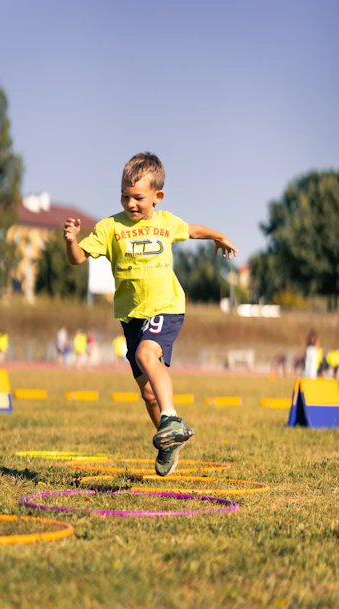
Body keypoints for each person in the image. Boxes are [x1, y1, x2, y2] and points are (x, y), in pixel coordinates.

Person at [64, 152, 238, 476]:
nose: (131, 203)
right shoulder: (110, 228)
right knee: (146, 392)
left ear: (158, 197)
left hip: (166, 307)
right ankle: (170, 439)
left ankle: (172, 419)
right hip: (131, 317)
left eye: (139, 198)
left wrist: (217, 235)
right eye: (125, 196)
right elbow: (77, 258)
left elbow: (192, 230)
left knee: (147, 353)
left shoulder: (166, 223)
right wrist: (71, 241)